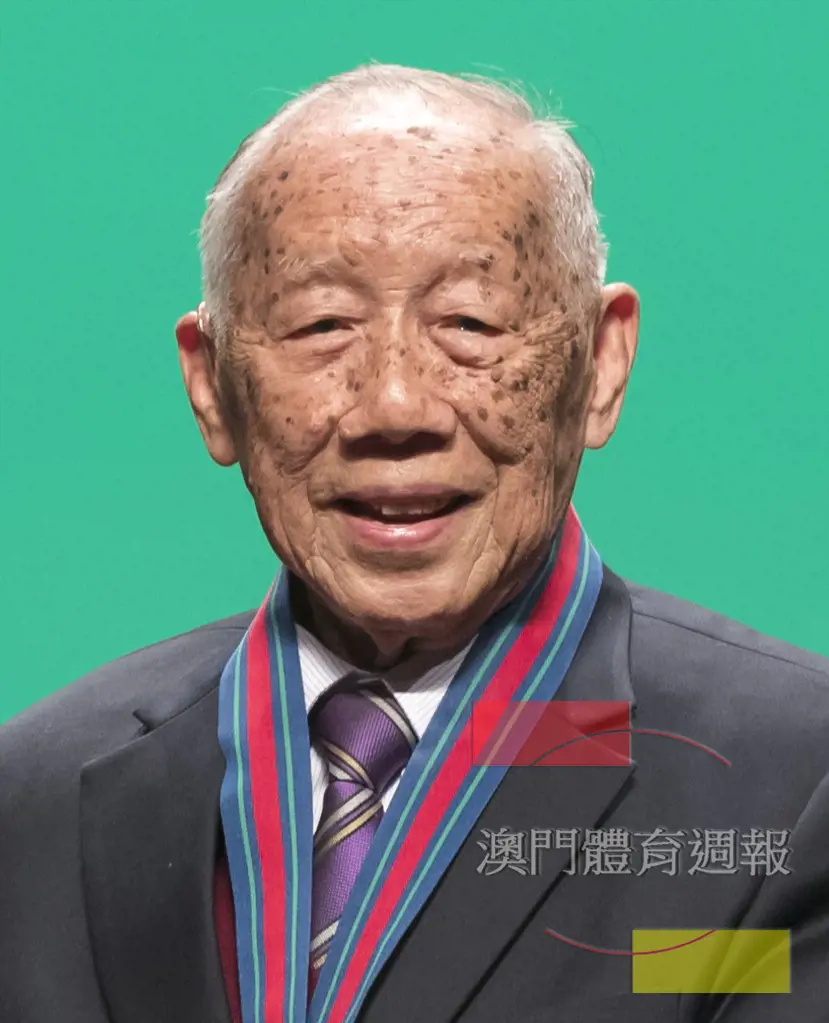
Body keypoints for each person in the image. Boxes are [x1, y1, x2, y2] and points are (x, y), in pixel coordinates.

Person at [1, 63, 828, 1023]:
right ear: (212, 383)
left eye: (469, 322)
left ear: (601, 364)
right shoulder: (36, 798)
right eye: (321, 325)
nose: (395, 406)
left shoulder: (789, 783)